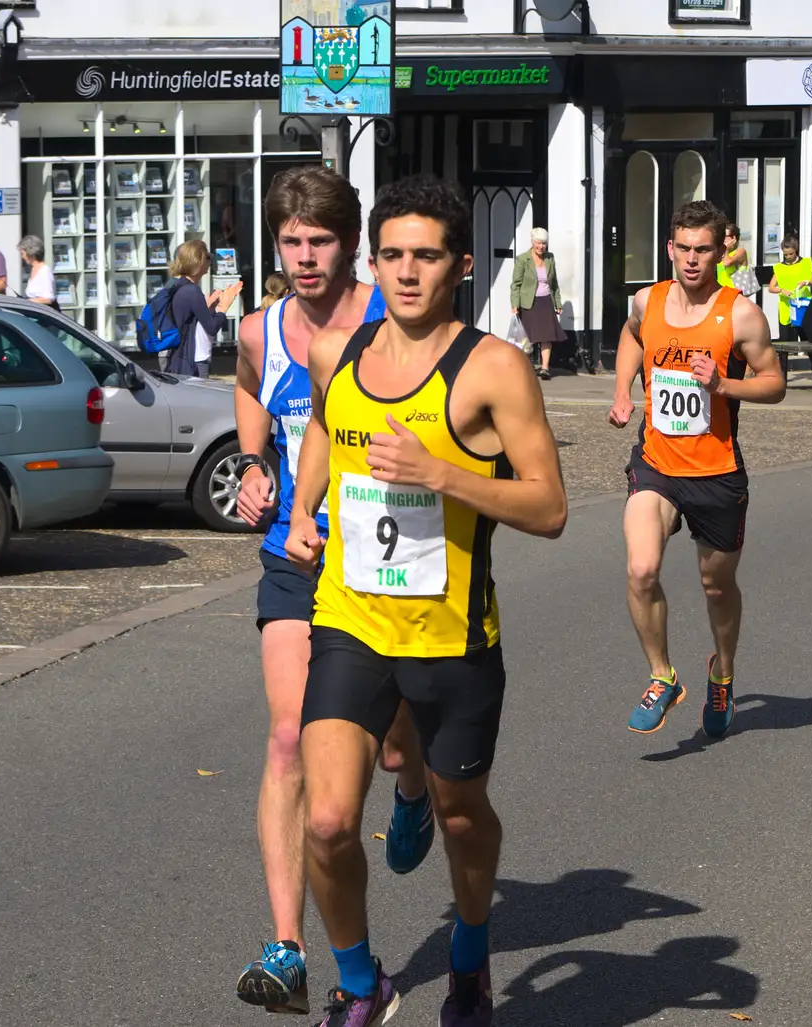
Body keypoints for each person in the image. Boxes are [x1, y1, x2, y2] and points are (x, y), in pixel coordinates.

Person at [288, 174, 567, 1027]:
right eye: (394, 255)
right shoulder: (339, 350)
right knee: (330, 818)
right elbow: (325, 431)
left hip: (451, 636)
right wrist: (304, 510)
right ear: (373, 262)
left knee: (460, 811)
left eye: (428, 256)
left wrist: (442, 473)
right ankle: (359, 982)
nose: (408, 273)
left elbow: (550, 507)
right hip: (350, 619)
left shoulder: (493, 368)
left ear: (463, 267)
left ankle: (471, 956)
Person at [230, 165, 430, 1017]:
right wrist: (252, 465)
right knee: (286, 738)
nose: (304, 258)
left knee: (389, 749)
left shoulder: (395, 321)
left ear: (350, 244)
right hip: (296, 556)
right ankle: (287, 948)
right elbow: (249, 392)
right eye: (290, 241)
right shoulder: (258, 328)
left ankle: (414, 783)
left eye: (319, 241)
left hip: (388, 561)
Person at [609, 199, 786, 740]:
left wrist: (723, 386)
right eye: (682, 248)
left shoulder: (739, 313)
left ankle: (723, 672)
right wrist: (621, 391)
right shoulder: (648, 300)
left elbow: (775, 383)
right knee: (641, 569)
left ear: (720, 250)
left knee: (716, 584)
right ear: (670, 248)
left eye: (702, 250)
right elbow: (631, 338)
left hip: (716, 471)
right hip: (657, 462)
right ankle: (662, 677)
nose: (691, 260)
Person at [165, 240, 241, 378]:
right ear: (198, 262)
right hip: (192, 359)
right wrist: (224, 306)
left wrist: (209, 306)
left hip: (178, 356)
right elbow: (211, 327)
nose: (210, 262)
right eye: (207, 258)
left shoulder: (178, 285)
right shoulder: (192, 291)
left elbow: (191, 318)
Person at [510, 227, 565, 380]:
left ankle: (545, 368)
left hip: (546, 301)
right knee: (528, 337)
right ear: (532, 242)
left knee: (546, 336)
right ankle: (527, 366)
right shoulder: (522, 259)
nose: (541, 247)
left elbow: (554, 283)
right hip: (528, 302)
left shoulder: (549, 258)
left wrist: (558, 303)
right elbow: (516, 284)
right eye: (538, 243)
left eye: (544, 244)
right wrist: (515, 305)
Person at [767, 234, 812, 379]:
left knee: (807, 340)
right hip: (786, 307)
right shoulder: (779, 267)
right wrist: (781, 290)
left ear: (796, 250)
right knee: (784, 343)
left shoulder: (806, 263)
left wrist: (806, 282)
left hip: (802, 307)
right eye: (785, 254)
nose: (788, 257)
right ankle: (783, 375)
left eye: (791, 253)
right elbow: (771, 288)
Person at [18, 235, 57, 309]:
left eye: (22, 254)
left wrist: (26, 302)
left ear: (30, 253)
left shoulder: (45, 271)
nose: (22, 257)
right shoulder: (33, 269)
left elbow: (48, 299)